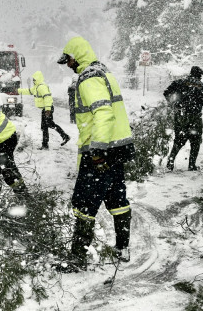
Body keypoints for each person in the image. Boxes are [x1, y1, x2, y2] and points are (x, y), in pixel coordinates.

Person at [56, 35, 135, 272]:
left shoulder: (88, 79)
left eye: (69, 59)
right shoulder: (104, 73)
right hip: (117, 149)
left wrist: (97, 151)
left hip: (101, 152)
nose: (68, 64)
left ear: (77, 57)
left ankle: (77, 259)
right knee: (116, 199)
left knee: (83, 204)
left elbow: (103, 113)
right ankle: (123, 248)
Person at [163, 66, 203, 171]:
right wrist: (194, 107)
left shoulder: (180, 82)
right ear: (200, 75)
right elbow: (201, 102)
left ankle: (171, 161)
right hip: (195, 117)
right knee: (195, 141)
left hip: (180, 115)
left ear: (190, 73)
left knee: (179, 139)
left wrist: (174, 104)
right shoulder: (202, 86)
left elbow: (166, 92)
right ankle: (192, 165)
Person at [18, 71, 70, 149]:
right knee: (44, 126)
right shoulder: (36, 87)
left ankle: (65, 136)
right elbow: (28, 91)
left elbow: (47, 97)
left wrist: (48, 109)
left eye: (34, 79)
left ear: (38, 79)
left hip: (47, 108)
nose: (33, 80)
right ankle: (45, 144)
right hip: (45, 109)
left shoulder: (42, 87)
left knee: (49, 124)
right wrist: (18, 91)